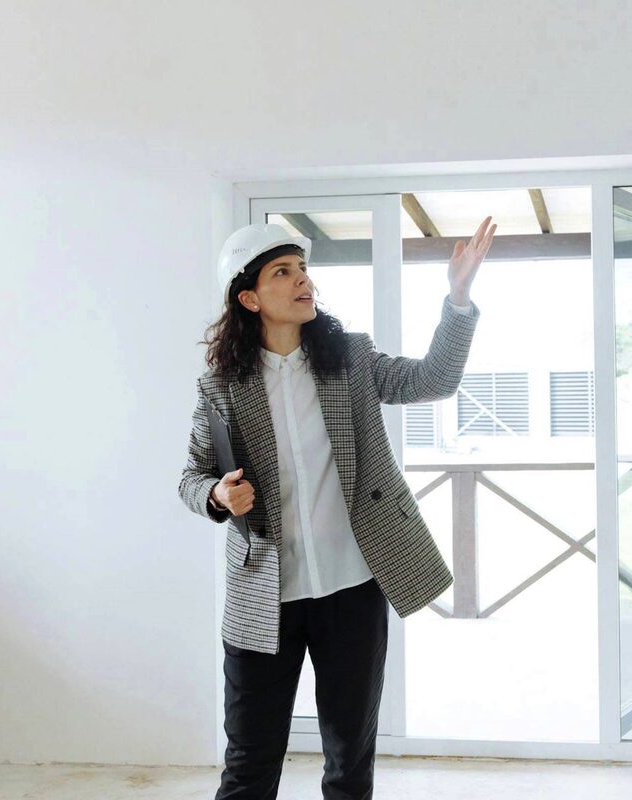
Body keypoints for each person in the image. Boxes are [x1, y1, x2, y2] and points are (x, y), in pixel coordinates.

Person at [178, 217, 496, 799]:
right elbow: (191, 478)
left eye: (303, 269)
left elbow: (435, 378)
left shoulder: (350, 359)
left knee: (349, 762)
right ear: (249, 298)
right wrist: (218, 496)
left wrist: (458, 297)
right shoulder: (221, 383)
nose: (303, 281)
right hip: (263, 595)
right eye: (283, 272)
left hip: (353, 588)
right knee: (249, 762)